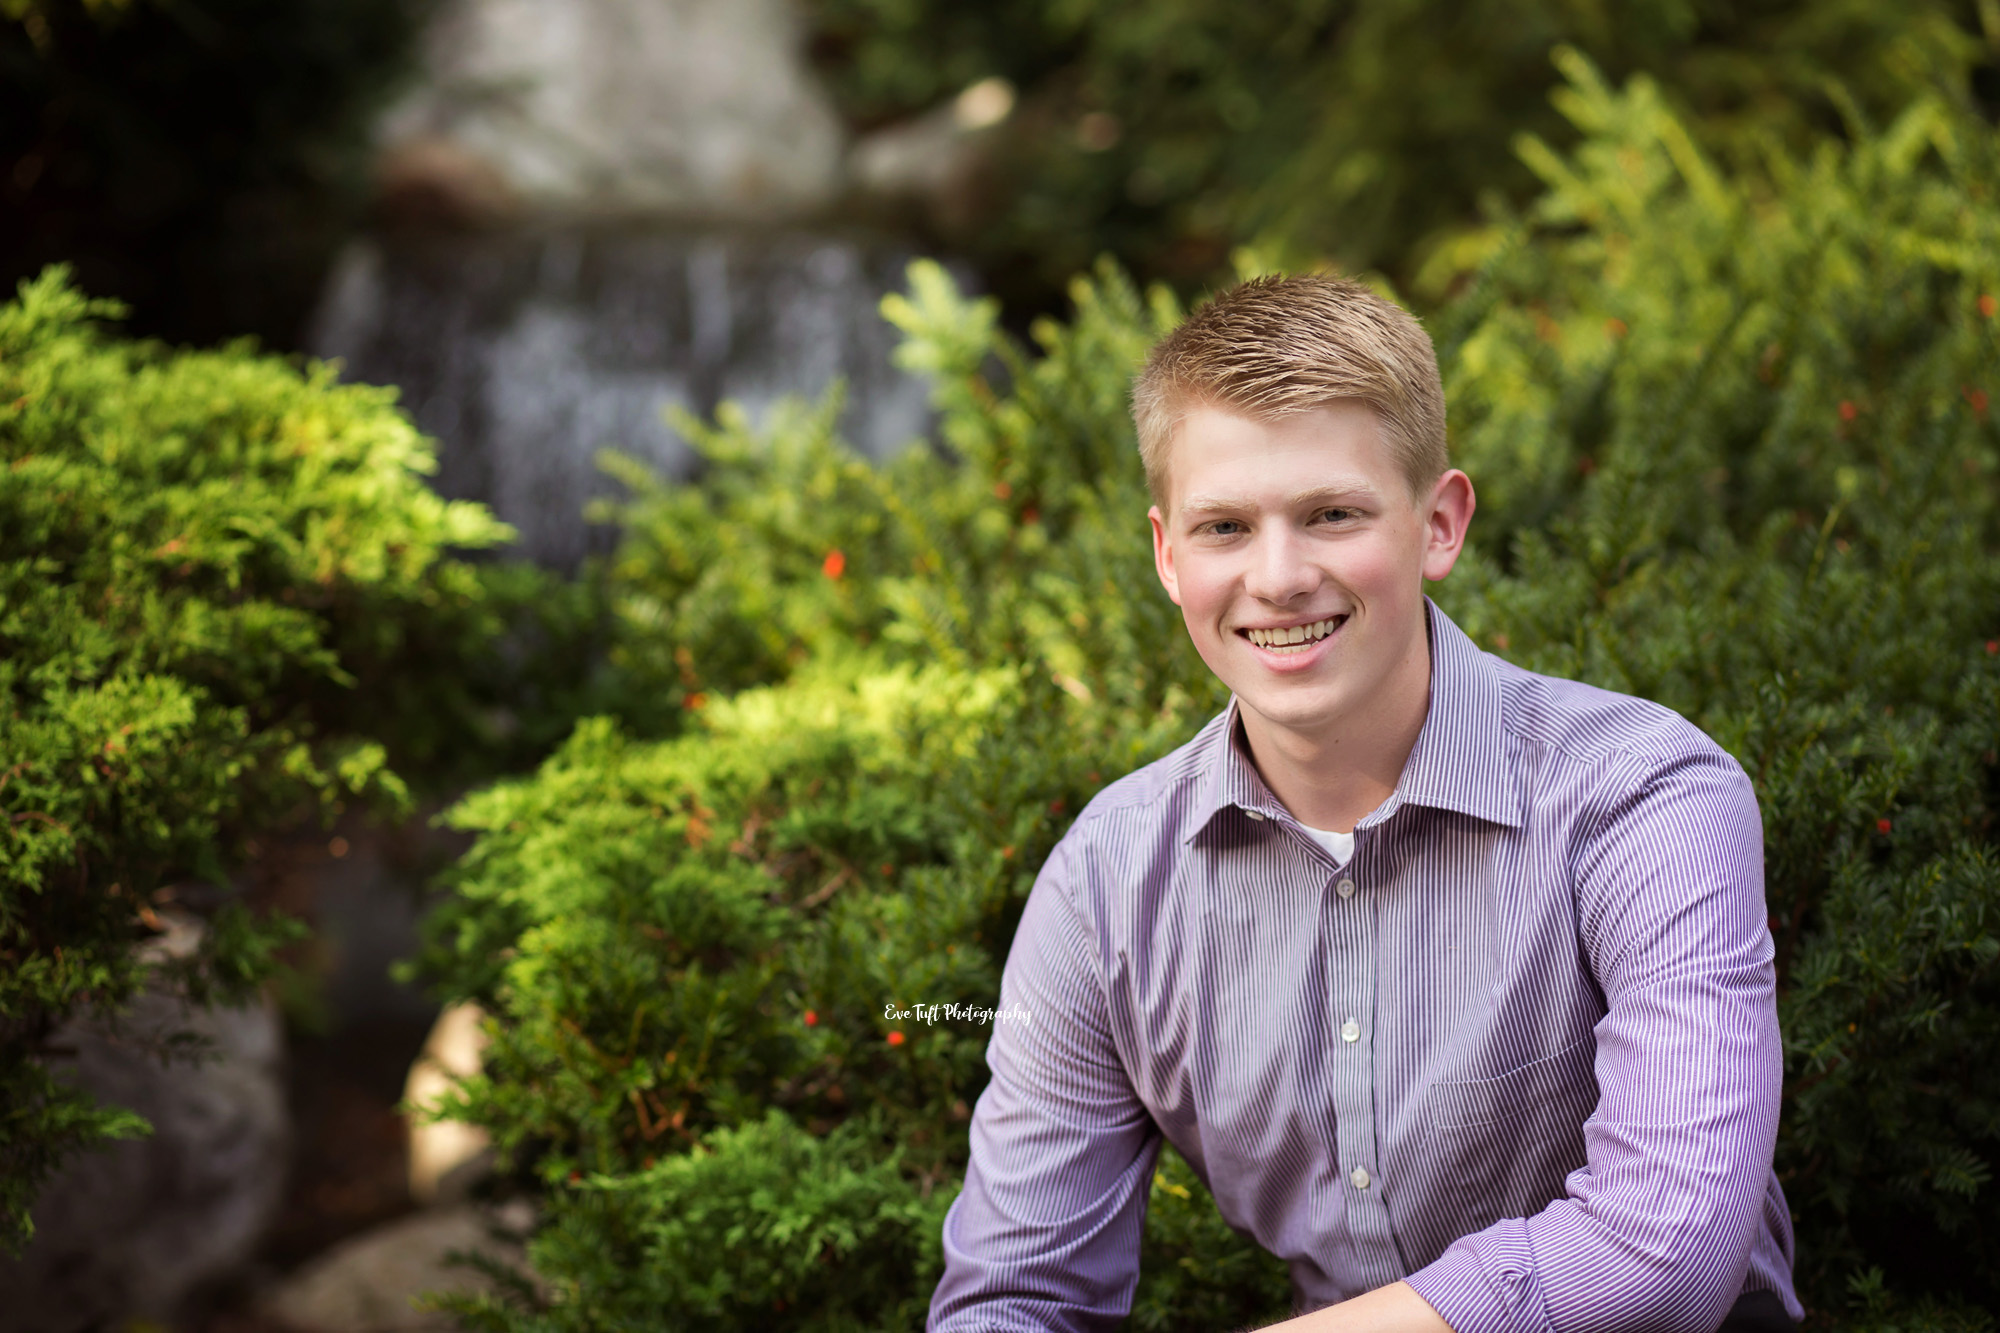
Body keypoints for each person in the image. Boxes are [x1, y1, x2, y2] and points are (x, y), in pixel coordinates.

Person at [927, 274, 1801, 1333]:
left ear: (1438, 524)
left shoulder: (1642, 801)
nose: (1278, 575)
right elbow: (1016, 1297)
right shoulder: (1106, 885)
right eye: (1223, 528)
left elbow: (1660, 1255)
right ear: (1166, 557)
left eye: (1330, 514)